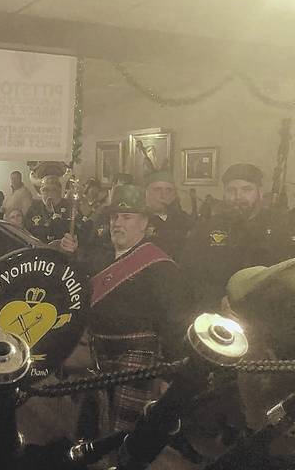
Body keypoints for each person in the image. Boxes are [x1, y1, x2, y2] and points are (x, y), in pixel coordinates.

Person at [80, 184, 191, 435]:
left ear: (144, 223)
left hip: (137, 356)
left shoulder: (159, 264)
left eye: (127, 217)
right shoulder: (99, 257)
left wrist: (169, 374)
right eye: (114, 217)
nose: (118, 223)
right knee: (92, 425)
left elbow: (174, 321)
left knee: (124, 431)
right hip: (96, 353)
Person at [183, 163, 292, 309]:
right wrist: (217, 301)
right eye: (231, 190)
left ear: (259, 192)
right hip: (218, 311)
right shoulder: (207, 227)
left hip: (267, 310)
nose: (238, 197)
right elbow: (191, 272)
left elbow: (287, 274)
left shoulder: (281, 226)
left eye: (246, 190)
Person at [144, 170, 193, 259]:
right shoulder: (138, 219)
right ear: (146, 193)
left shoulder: (184, 220)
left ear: (174, 195)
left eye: (169, 190)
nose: (163, 195)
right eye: (157, 189)